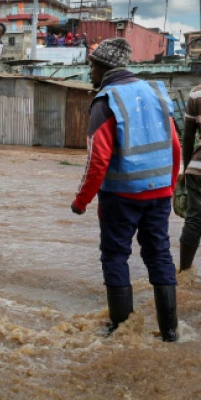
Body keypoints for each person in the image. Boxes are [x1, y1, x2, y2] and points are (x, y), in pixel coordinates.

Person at [71, 38, 180, 342]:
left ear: (102, 67)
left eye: (91, 67)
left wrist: (81, 201)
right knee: (159, 254)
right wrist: (169, 187)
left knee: (115, 256)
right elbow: (174, 147)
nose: (90, 73)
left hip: (120, 196)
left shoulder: (105, 100)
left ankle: (121, 331)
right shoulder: (156, 92)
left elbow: (98, 160)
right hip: (159, 193)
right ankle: (171, 332)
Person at [178, 79, 201, 273]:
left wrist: (185, 170)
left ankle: (184, 273)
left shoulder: (196, 93)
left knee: (194, 220)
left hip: (197, 169)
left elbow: (188, 138)